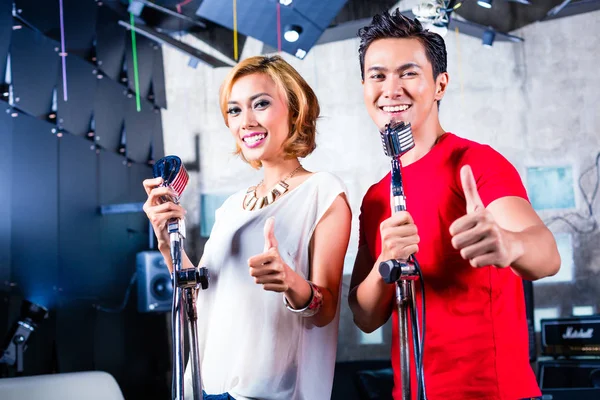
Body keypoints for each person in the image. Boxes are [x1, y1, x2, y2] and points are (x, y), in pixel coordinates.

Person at [348, 10, 561, 400]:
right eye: (377, 75)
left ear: (440, 84)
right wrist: (385, 265)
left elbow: (547, 256)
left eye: (408, 73)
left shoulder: (477, 163)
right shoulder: (377, 196)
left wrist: (509, 244)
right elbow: (364, 316)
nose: (391, 89)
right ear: (365, 86)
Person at [143, 55, 351, 400]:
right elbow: (199, 299)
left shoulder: (323, 191)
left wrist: (292, 283)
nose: (246, 121)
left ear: (295, 110)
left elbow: (325, 311)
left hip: (269, 393)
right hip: (206, 388)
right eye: (235, 110)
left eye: (261, 104)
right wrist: (167, 244)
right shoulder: (232, 206)